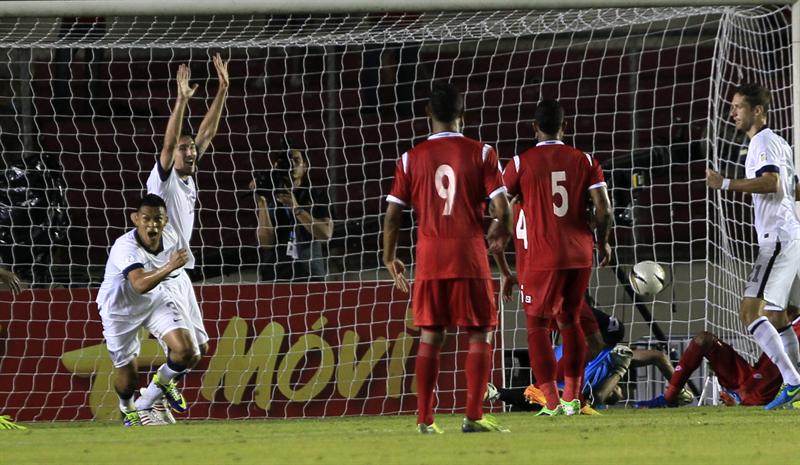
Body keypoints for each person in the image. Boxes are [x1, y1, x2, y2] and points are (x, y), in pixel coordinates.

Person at [383, 81, 513, 434]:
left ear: (428, 114)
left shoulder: (410, 158)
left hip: (429, 259)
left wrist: (389, 256)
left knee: (430, 335)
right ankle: (473, 416)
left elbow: (394, 216)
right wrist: (500, 232)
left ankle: (425, 419)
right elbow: (503, 209)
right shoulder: (483, 152)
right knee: (481, 332)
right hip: (469, 256)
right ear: (463, 115)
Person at [502, 99, 612, 416]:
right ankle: (573, 398)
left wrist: (502, 232)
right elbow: (604, 210)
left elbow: (499, 206)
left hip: (541, 255)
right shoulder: (586, 160)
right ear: (566, 127)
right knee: (570, 320)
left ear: (534, 128)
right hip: (579, 254)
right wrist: (603, 243)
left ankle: (551, 402)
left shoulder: (522, 163)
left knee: (536, 326)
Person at [139, 56, 228, 413]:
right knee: (184, 350)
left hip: (182, 274)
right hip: (160, 274)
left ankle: (159, 390)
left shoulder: (189, 175)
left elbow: (206, 133)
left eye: (191, 148)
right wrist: (181, 100)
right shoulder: (162, 180)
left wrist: (223, 90)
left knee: (199, 351)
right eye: (184, 148)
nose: (190, 151)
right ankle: (147, 403)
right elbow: (167, 143)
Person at [706, 83, 800, 409]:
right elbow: (794, 189)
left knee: (749, 312)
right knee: (779, 314)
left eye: (738, 107)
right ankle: (797, 382)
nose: (732, 113)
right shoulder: (779, 143)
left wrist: (726, 183)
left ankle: (792, 382)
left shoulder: (762, 143)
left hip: (775, 239)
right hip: (789, 236)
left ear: (757, 111)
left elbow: (772, 182)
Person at [95, 194, 196, 426]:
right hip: (120, 310)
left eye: (158, 219)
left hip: (154, 301)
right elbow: (139, 284)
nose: (152, 224)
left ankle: (155, 391)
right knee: (128, 376)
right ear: (135, 219)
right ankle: (127, 407)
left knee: (186, 351)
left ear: (166, 220)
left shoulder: (170, 236)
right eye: (146, 219)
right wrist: (169, 266)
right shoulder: (124, 247)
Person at [636, 307, 800, 408]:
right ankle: (670, 397)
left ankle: (741, 398)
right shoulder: (786, 314)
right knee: (704, 339)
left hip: (765, 393)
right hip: (750, 377)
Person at [253, 145, 333, 281]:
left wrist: (296, 208)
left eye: (296, 160)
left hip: (311, 274)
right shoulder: (268, 196)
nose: (291, 165)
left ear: (305, 166)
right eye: (286, 161)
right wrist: (261, 203)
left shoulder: (317, 195)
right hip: (275, 275)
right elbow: (265, 242)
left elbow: (326, 234)